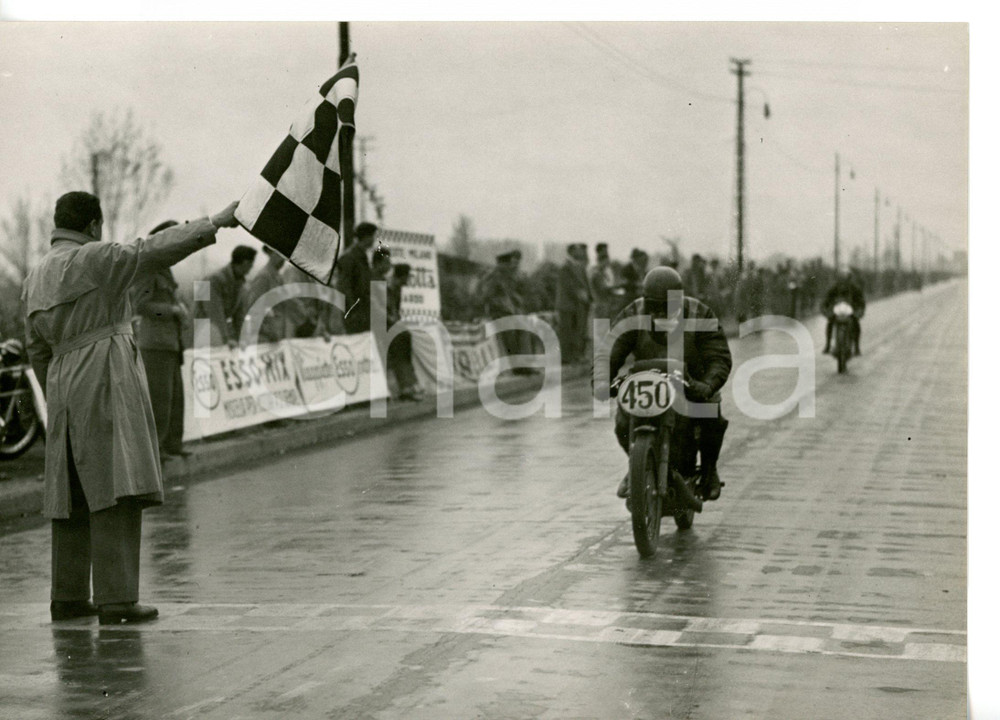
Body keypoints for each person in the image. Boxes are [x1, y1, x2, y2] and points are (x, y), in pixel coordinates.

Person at [22, 191, 239, 625]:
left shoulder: (36, 276)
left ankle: (66, 596)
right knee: (116, 485)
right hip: (103, 370)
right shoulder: (93, 258)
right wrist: (214, 222)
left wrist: (58, 391)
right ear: (93, 226)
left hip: (62, 378)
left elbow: (35, 347)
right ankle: (117, 599)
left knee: (72, 492)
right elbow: (152, 250)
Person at [594, 266, 732, 501]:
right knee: (622, 422)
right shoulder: (632, 314)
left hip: (692, 382)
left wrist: (707, 384)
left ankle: (709, 470)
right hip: (648, 381)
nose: (659, 313)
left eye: (665, 306)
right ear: (645, 300)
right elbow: (609, 352)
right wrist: (601, 381)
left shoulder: (700, 313)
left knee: (710, 416)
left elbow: (718, 357)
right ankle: (637, 465)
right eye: (653, 306)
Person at [130, 220, 190, 461]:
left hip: (170, 343)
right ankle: (157, 450)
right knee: (160, 400)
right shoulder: (148, 268)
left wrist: (177, 310)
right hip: (155, 344)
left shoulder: (164, 268)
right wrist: (172, 311)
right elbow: (141, 306)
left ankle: (172, 444)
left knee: (175, 399)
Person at [198, 245, 256, 347]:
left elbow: (239, 316)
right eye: (251, 265)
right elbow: (214, 313)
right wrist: (225, 340)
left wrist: (243, 340)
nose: (251, 269)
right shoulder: (212, 280)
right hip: (200, 334)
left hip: (215, 335)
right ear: (245, 263)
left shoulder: (240, 283)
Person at [237, 246, 289, 345]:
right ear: (270, 254)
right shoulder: (264, 277)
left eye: (284, 256)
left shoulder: (278, 278)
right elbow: (254, 308)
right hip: (263, 338)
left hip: (277, 336)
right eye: (278, 255)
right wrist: (268, 331)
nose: (282, 259)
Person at [386, 263, 423, 401]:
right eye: (406, 278)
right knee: (400, 343)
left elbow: (396, 310)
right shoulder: (387, 288)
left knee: (407, 338)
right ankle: (405, 386)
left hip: (392, 324)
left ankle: (410, 382)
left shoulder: (398, 289)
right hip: (383, 324)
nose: (407, 281)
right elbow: (384, 310)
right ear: (400, 277)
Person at [339, 222, 379, 334]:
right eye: (372, 236)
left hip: (364, 311)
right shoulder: (349, 257)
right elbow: (344, 287)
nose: (373, 240)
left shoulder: (362, 256)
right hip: (355, 313)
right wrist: (353, 310)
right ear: (366, 237)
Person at [555, 243, 592, 364]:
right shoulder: (565, 267)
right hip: (567, 305)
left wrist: (589, 297)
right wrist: (581, 295)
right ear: (571, 252)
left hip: (579, 305)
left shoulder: (579, 266)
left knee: (578, 330)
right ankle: (566, 357)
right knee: (567, 331)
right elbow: (569, 286)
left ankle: (577, 356)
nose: (580, 252)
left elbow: (585, 284)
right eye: (577, 250)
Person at [822, 268, 866, 355]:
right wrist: (827, 311)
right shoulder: (835, 287)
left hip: (850, 310)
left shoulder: (854, 288)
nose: (844, 278)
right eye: (842, 276)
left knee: (856, 324)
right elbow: (827, 299)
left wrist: (859, 311)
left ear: (849, 277)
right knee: (830, 323)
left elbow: (861, 300)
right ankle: (827, 345)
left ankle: (856, 346)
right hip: (838, 310)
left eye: (846, 276)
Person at [589, 243, 622, 322]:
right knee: (601, 330)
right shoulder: (596, 273)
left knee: (605, 330)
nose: (607, 264)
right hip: (601, 306)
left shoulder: (603, 273)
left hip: (606, 306)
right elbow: (603, 288)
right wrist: (616, 287)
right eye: (606, 261)